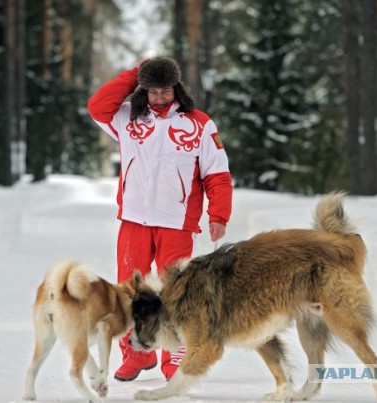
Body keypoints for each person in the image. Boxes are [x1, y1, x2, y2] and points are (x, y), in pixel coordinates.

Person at [87, 57, 233, 382]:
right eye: (151, 90)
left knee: (175, 291)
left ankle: (173, 359)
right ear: (144, 90)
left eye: (165, 90)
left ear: (176, 88)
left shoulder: (200, 124)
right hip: (134, 221)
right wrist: (133, 74)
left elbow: (218, 176)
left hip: (177, 223)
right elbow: (97, 106)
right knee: (129, 290)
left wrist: (218, 214)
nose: (159, 97)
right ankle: (137, 355)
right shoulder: (127, 118)